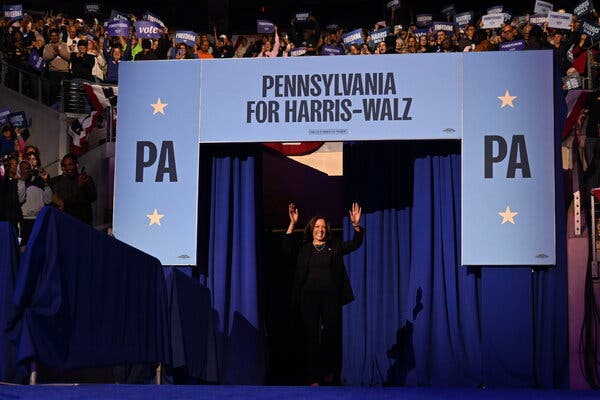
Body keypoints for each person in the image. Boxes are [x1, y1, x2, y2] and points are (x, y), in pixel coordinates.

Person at [283, 202, 364, 386]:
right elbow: (286, 248)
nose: (320, 230)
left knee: (331, 336)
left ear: (327, 231)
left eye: (323, 227)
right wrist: (292, 223)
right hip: (308, 298)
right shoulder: (304, 249)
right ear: (312, 229)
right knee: (311, 337)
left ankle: (329, 372)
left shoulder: (334, 246)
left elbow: (356, 243)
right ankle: (314, 377)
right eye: (317, 227)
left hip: (330, 298)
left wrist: (356, 225)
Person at [50, 153, 96, 225]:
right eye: (64, 165)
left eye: (70, 165)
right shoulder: (57, 181)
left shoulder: (86, 179)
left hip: (83, 223)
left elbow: (93, 197)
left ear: (77, 165)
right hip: (66, 222)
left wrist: (83, 188)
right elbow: (63, 202)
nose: (68, 168)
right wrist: (78, 187)